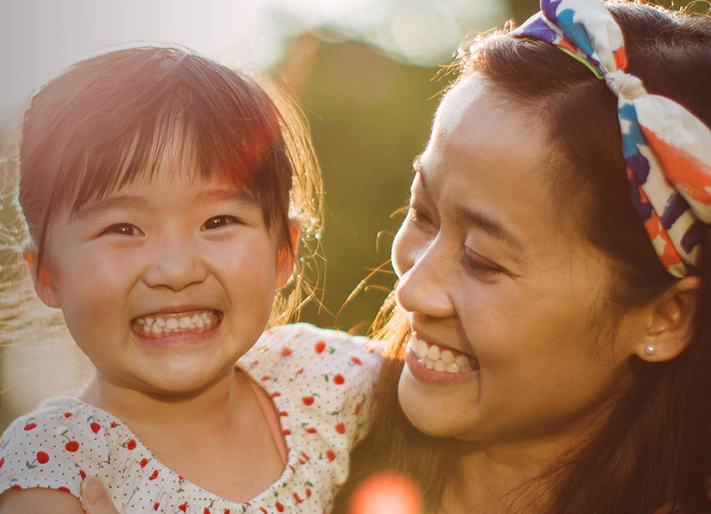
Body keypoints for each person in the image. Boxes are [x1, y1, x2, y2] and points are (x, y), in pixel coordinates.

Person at [330, 1, 711, 513]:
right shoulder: (296, 422)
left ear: (665, 318)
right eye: (422, 212)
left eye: (483, 261)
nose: (411, 290)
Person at [0, 46, 379, 514]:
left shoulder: (321, 381)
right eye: (123, 229)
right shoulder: (55, 468)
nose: (177, 271)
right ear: (48, 274)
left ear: (284, 250)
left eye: (218, 221)